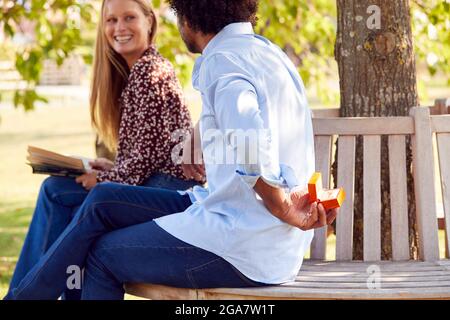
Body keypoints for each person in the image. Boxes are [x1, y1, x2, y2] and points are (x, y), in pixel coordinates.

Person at [4, 0, 339, 300]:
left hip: (243, 245)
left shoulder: (221, 61)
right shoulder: (267, 53)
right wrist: (199, 131)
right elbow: (242, 115)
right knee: (103, 200)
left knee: (101, 254)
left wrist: (280, 205)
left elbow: (248, 135)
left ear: (189, 17)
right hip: (253, 231)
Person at [6, 0, 200, 299]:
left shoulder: (151, 72)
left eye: (129, 18)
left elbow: (144, 162)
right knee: (55, 189)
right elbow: (146, 152)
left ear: (150, 21)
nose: (119, 28)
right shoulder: (139, 72)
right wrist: (109, 168)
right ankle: (24, 292)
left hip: (168, 190)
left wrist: (103, 180)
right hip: (151, 181)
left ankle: (23, 295)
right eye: (111, 20)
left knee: (63, 199)